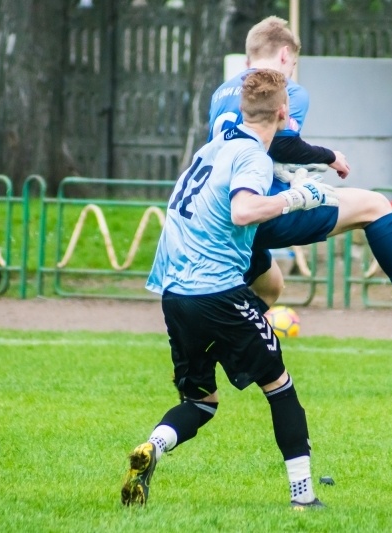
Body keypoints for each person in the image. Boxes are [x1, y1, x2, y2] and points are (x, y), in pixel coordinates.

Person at [121, 69, 333, 509]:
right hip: (217, 290)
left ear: (241, 109)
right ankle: (303, 496)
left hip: (176, 295)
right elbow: (243, 211)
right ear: (282, 113)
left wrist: (289, 184)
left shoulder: (212, 149)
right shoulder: (252, 156)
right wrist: (298, 197)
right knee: (280, 388)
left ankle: (152, 447)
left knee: (201, 402)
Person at [209, 16, 392, 342]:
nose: (291, 70)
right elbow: (281, 143)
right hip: (259, 211)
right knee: (375, 205)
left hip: (219, 211)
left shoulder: (222, 92)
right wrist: (328, 156)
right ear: (284, 55)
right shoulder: (285, 90)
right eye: (293, 63)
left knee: (270, 286)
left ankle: (216, 345)